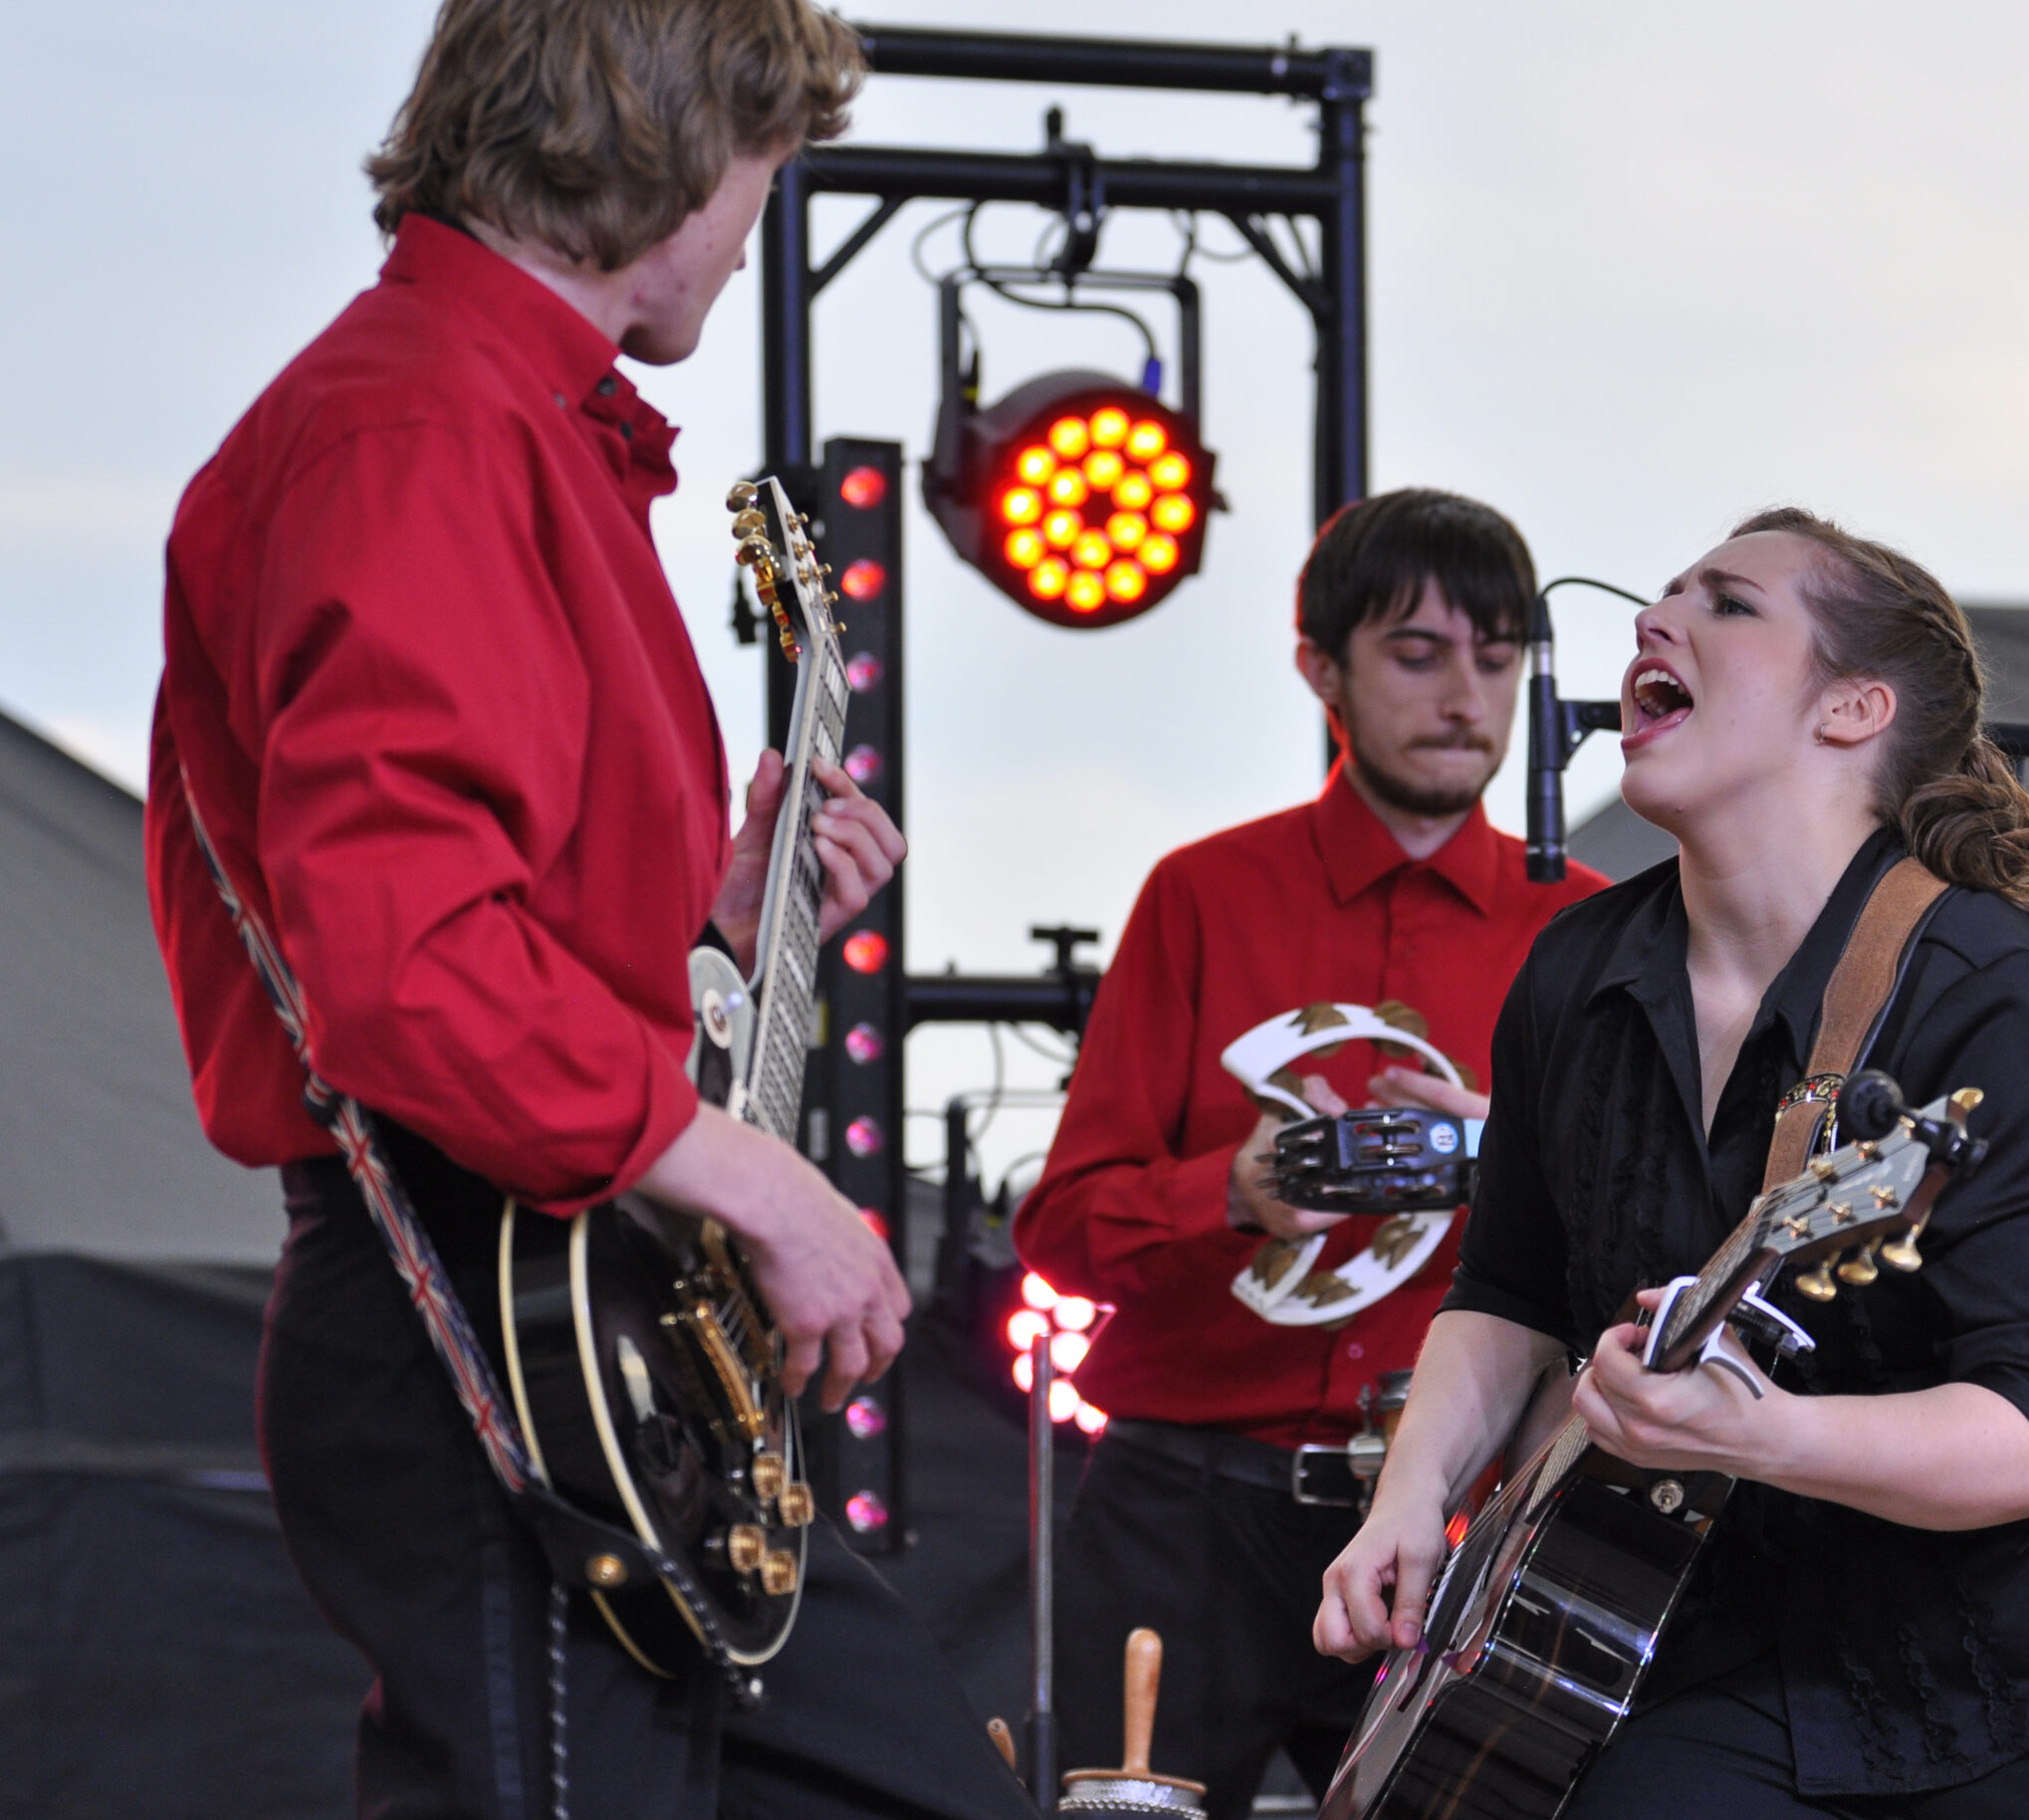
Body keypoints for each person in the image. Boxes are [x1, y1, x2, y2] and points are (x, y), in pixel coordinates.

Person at [145, 5, 1032, 1816]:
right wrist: (763, 1183)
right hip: (479, 1295)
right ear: (672, 142)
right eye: (765, 171)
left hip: (573, 1293)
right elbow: (406, 970)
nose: (758, 223)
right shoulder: (418, 424)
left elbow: (471, 913)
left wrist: (706, 914)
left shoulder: (497, 418)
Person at [1315, 509, 2029, 1816]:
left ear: (1853, 709)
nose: (1652, 619)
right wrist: (1410, 1501)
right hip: (1765, 1627)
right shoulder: (1574, 974)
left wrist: (1761, 1434)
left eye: (1727, 603)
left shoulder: (1993, 997)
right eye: (1665, 596)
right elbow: (1510, 1294)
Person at [1011, 489, 1606, 1819]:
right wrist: (1232, 1191)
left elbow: (1646, 1246)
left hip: (1459, 1523)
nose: (1465, 696)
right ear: (1319, 669)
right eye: (1418, 653)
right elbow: (1062, 1229)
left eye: (1497, 657)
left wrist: (1496, 1151)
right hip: (1184, 1507)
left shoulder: (1591, 928)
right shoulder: (1202, 894)